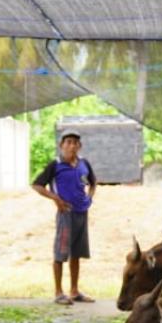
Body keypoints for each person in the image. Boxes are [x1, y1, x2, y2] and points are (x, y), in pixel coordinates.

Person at [32, 129, 96, 305]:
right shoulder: (56, 165)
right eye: (68, 142)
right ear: (61, 145)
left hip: (81, 213)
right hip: (65, 214)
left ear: (79, 146)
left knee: (77, 253)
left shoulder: (83, 164)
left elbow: (93, 182)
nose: (72, 146)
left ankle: (74, 291)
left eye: (75, 143)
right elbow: (37, 185)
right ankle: (58, 292)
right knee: (61, 252)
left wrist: (89, 197)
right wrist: (56, 199)